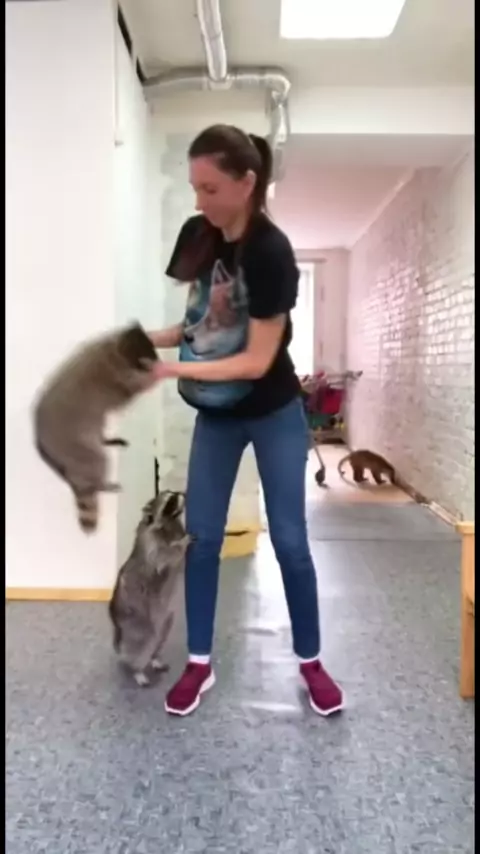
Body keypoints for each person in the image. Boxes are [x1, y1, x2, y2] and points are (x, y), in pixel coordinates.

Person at [149, 124, 343, 718]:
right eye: (194, 187)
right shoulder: (198, 235)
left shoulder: (270, 253)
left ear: (247, 183)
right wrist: (143, 340)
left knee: (289, 540)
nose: (199, 201)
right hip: (218, 413)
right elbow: (199, 326)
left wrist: (166, 371)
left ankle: (311, 662)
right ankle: (199, 663)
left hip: (273, 410)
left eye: (210, 188)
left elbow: (257, 361)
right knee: (202, 539)